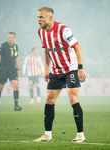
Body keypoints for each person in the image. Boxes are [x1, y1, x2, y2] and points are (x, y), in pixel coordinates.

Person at [33, 7, 86, 143]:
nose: (38, 20)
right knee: (49, 100)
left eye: (41, 17)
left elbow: (77, 47)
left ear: (50, 18)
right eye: (38, 17)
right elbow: (46, 49)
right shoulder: (41, 32)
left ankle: (80, 135)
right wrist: (46, 68)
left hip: (70, 69)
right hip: (56, 71)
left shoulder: (63, 30)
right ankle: (47, 135)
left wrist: (80, 68)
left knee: (73, 98)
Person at [0, 32, 22, 111]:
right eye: (9, 37)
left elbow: (16, 58)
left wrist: (18, 68)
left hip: (12, 69)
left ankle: (16, 106)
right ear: (7, 38)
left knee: (16, 86)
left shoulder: (16, 47)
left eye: (12, 37)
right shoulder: (3, 46)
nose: (10, 39)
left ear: (14, 38)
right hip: (3, 69)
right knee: (0, 87)